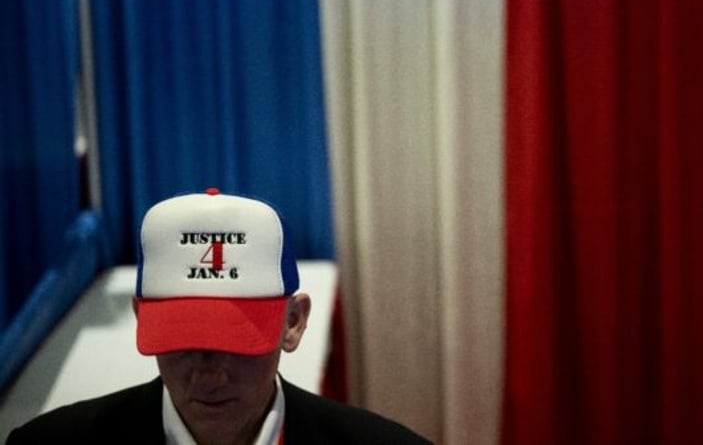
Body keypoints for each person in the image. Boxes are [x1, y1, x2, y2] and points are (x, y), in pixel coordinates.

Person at [8, 189, 431, 444]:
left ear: (294, 322)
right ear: (140, 317)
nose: (209, 375)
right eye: (184, 340)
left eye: (235, 344)